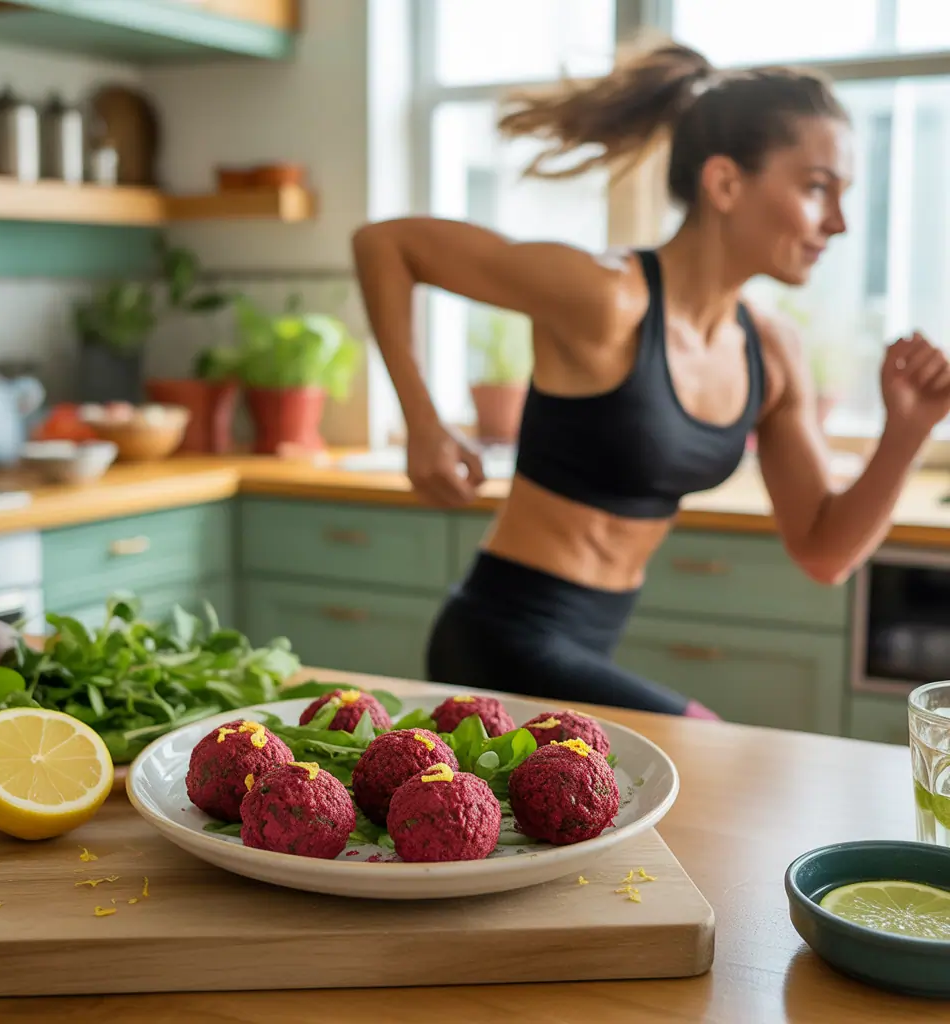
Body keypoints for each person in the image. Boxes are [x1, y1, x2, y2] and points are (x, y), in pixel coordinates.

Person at [350, 41, 950, 719]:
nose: (839, 223)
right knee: (711, 744)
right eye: (817, 187)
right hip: (499, 637)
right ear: (725, 184)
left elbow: (823, 550)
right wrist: (425, 425)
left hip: (588, 646)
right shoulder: (608, 299)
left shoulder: (772, 351)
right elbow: (386, 243)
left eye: (843, 194)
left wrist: (907, 430)